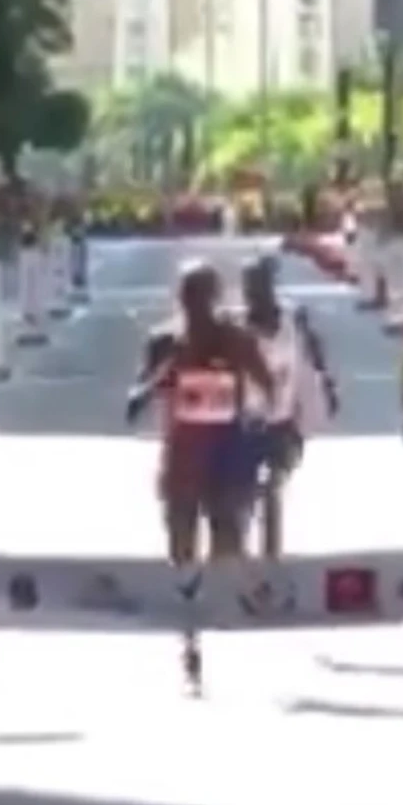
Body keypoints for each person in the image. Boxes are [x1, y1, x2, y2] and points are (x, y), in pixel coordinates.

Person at [126, 262, 275, 689]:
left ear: (215, 298)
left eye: (204, 296)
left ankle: (235, 606)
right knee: (182, 553)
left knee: (227, 541)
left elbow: (266, 385)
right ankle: (190, 641)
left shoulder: (237, 340)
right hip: (181, 460)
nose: (197, 307)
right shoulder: (165, 343)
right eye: (190, 297)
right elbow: (136, 395)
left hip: (226, 456)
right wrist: (153, 385)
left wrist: (261, 426)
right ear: (180, 299)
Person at [239, 256, 340, 559]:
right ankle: (240, 553)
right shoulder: (235, 326)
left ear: (271, 286)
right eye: (248, 286)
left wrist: (327, 385)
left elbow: (313, 350)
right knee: (242, 495)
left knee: (273, 486)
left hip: (284, 421)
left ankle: (271, 556)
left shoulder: (294, 317)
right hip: (244, 424)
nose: (253, 293)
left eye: (259, 285)